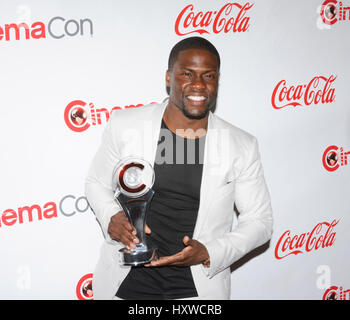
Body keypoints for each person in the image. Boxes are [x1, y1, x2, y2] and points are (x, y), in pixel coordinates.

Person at [85, 36, 273, 300]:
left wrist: (209, 252)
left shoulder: (241, 145)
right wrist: (111, 217)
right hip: (126, 284)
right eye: (187, 73)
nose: (198, 85)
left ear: (217, 81)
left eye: (208, 76)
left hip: (197, 290)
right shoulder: (126, 125)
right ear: (168, 77)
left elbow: (259, 222)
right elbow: (96, 183)